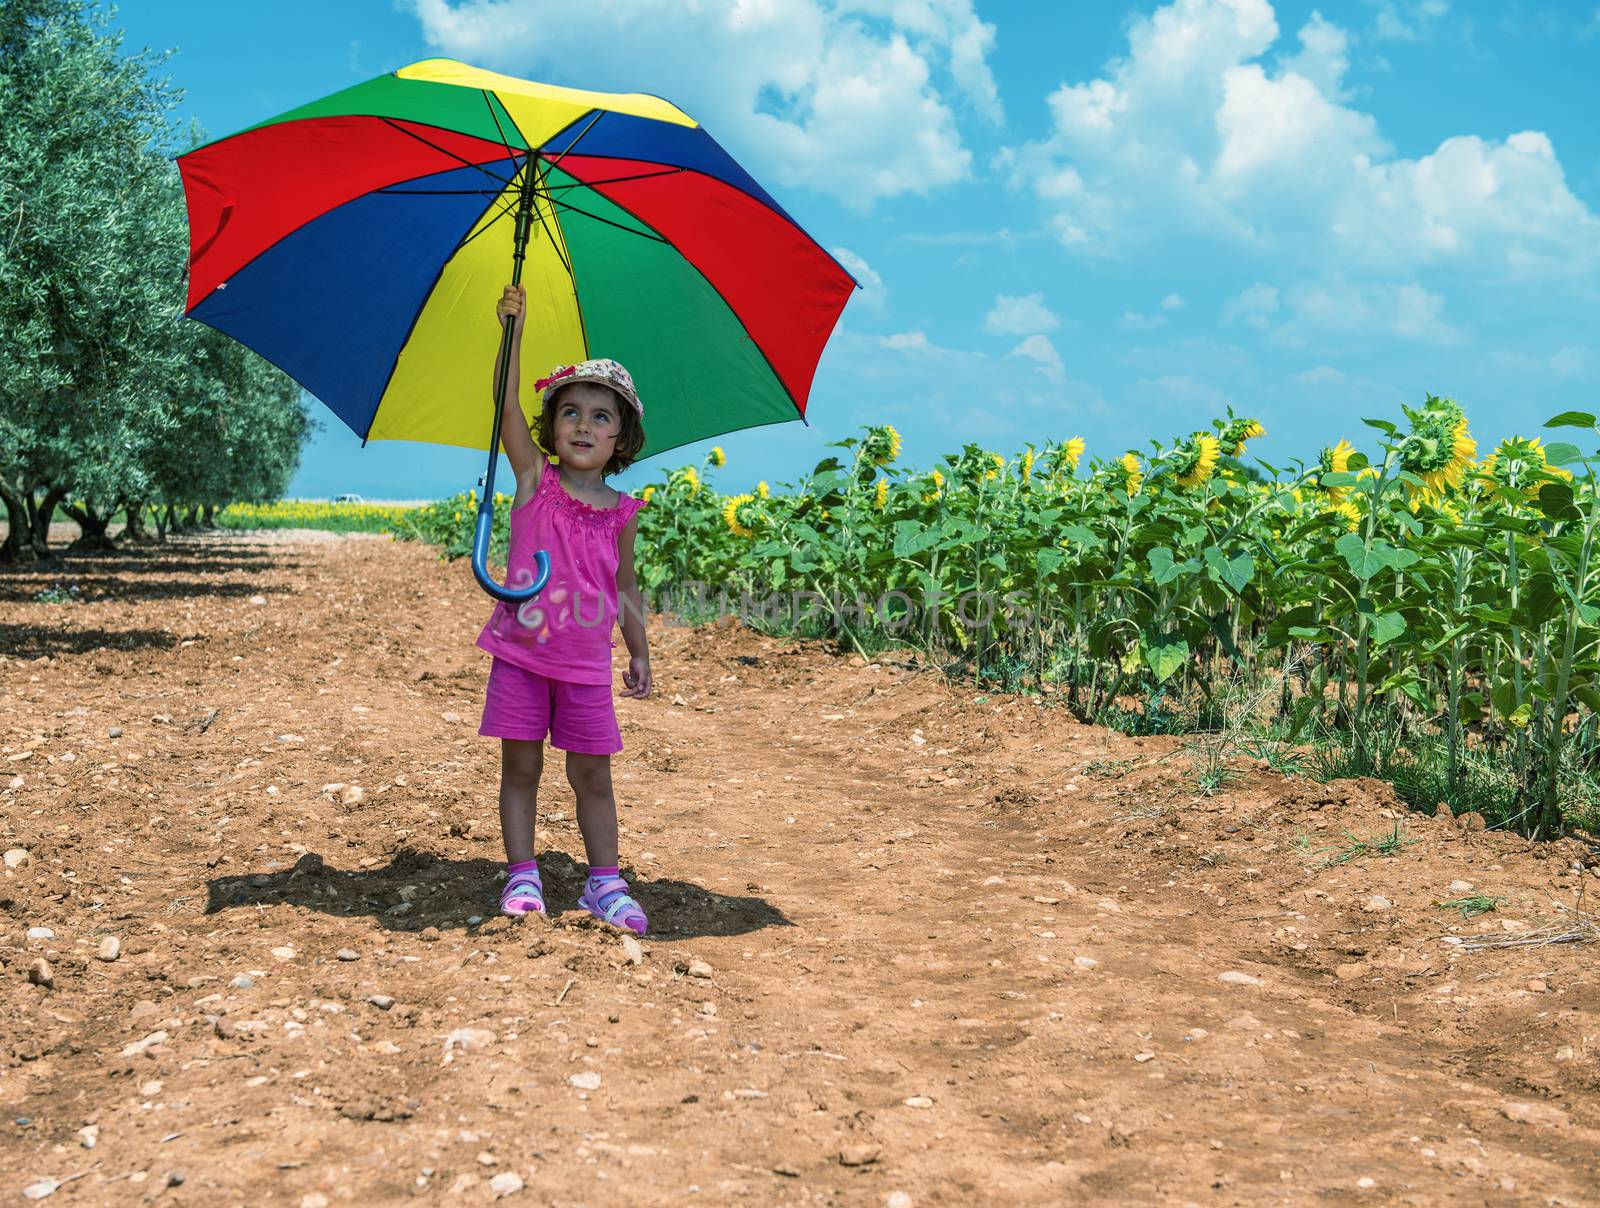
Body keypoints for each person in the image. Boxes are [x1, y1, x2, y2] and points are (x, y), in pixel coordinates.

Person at [475, 283, 653, 933]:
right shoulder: (532, 480)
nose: (583, 424)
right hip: (521, 655)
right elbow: (502, 410)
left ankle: (603, 881)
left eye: (601, 416)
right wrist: (511, 334)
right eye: (570, 412)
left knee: (592, 775)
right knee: (520, 765)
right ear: (551, 427)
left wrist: (638, 650)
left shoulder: (622, 514)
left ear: (621, 437)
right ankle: (523, 873)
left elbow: (625, 588)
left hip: (583, 664)